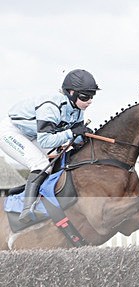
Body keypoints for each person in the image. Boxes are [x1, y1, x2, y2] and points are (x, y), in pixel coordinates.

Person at [0, 69, 99, 223]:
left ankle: (19, 191)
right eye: (85, 97)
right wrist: (72, 133)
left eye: (92, 96)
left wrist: (83, 136)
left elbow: (74, 138)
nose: (89, 101)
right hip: (12, 132)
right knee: (40, 164)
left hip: (33, 135)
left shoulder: (77, 109)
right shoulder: (51, 106)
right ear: (71, 93)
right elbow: (46, 141)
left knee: (57, 160)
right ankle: (27, 210)